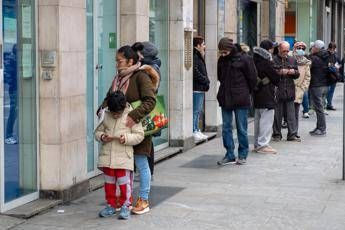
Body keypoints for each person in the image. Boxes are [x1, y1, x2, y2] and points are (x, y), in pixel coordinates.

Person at [97, 43, 157, 215]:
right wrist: (102, 108)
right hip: (118, 130)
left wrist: (133, 116)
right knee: (123, 168)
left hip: (137, 127)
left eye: (119, 61)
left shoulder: (141, 76)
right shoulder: (118, 78)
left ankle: (143, 199)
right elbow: (111, 97)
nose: (117, 64)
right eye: (116, 61)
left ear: (130, 61)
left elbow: (150, 101)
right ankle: (121, 201)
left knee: (140, 163)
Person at [95, 91, 144, 219]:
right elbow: (97, 132)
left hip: (124, 157)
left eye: (118, 113)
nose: (116, 115)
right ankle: (111, 205)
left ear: (123, 108)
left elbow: (140, 135)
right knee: (109, 184)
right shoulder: (105, 114)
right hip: (107, 157)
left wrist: (126, 138)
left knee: (124, 184)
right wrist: (102, 136)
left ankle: (125, 206)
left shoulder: (131, 115)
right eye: (113, 113)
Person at [216, 37, 257, 166]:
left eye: (224, 52)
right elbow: (220, 77)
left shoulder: (245, 59)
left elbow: (253, 78)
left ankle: (243, 154)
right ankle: (229, 154)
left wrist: (245, 92)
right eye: (221, 52)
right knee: (226, 128)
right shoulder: (222, 60)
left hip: (240, 98)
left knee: (241, 128)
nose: (223, 55)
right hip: (225, 98)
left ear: (230, 49)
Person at [133, 41, 162, 180]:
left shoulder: (149, 68)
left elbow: (150, 92)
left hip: (146, 109)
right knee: (147, 141)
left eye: (138, 52)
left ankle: (147, 172)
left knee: (146, 142)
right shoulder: (153, 65)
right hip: (148, 108)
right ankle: (147, 171)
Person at [252, 39, 280, 154]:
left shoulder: (254, 59)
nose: (274, 49)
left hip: (257, 94)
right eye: (272, 48)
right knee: (266, 121)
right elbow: (276, 78)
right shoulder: (267, 61)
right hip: (266, 94)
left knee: (258, 120)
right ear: (268, 49)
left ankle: (257, 144)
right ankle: (263, 145)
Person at [272, 41, 300, 142]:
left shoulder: (292, 59)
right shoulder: (273, 59)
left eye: (287, 51)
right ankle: (277, 134)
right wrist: (279, 72)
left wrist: (294, 72)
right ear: (279, 49)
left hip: (289, 90)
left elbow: (297, 74)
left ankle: (292, 135)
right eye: (284, 50)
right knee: (277, 115)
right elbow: (271, 72)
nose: (286, 52)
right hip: (278, 91)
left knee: (291, 115)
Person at [309, 40, 329, 136]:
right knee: (319, 107)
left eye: (312, 47)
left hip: (317, 85)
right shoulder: (325, 56)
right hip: (324, 84)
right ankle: (319, 127)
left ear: (316, 48)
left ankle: (321, 128)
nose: (311, 48)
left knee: (319, 108)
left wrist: (311, 54)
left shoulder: (315, 58)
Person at [192, 36, 210, 142]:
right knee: (195, 111)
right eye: (203, 44)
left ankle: (197, 129)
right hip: (197, 88)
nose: (204, 46)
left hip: (200, 88)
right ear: (198, 45)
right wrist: (205, 80)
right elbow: (195, 72)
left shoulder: (199, 55)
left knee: (198, 111)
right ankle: (194, 130)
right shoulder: (195, 56)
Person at [292, 41, 311, 136]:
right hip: (288, 89)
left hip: (299, 90)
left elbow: (307, 77)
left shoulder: (306, 62)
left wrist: (303, 88)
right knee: (285, 112)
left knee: (296, 113)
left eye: (302, 48)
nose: (300, 50)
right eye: (298, 48)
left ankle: (294, 132)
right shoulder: (290, 59)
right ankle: (277, 133)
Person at [326, 42, 341, 111]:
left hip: (334, 76)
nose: (332, 50)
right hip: (327, 76)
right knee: (327, 91)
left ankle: (329, 104)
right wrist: (333, 67)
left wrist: (335, 67)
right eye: (331, 49)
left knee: (331, 91)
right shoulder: (326, 54)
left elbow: (339, 64)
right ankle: (326, 104)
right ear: (328, 48)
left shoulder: (335, 55)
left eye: (333, 49)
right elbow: (327, 65)